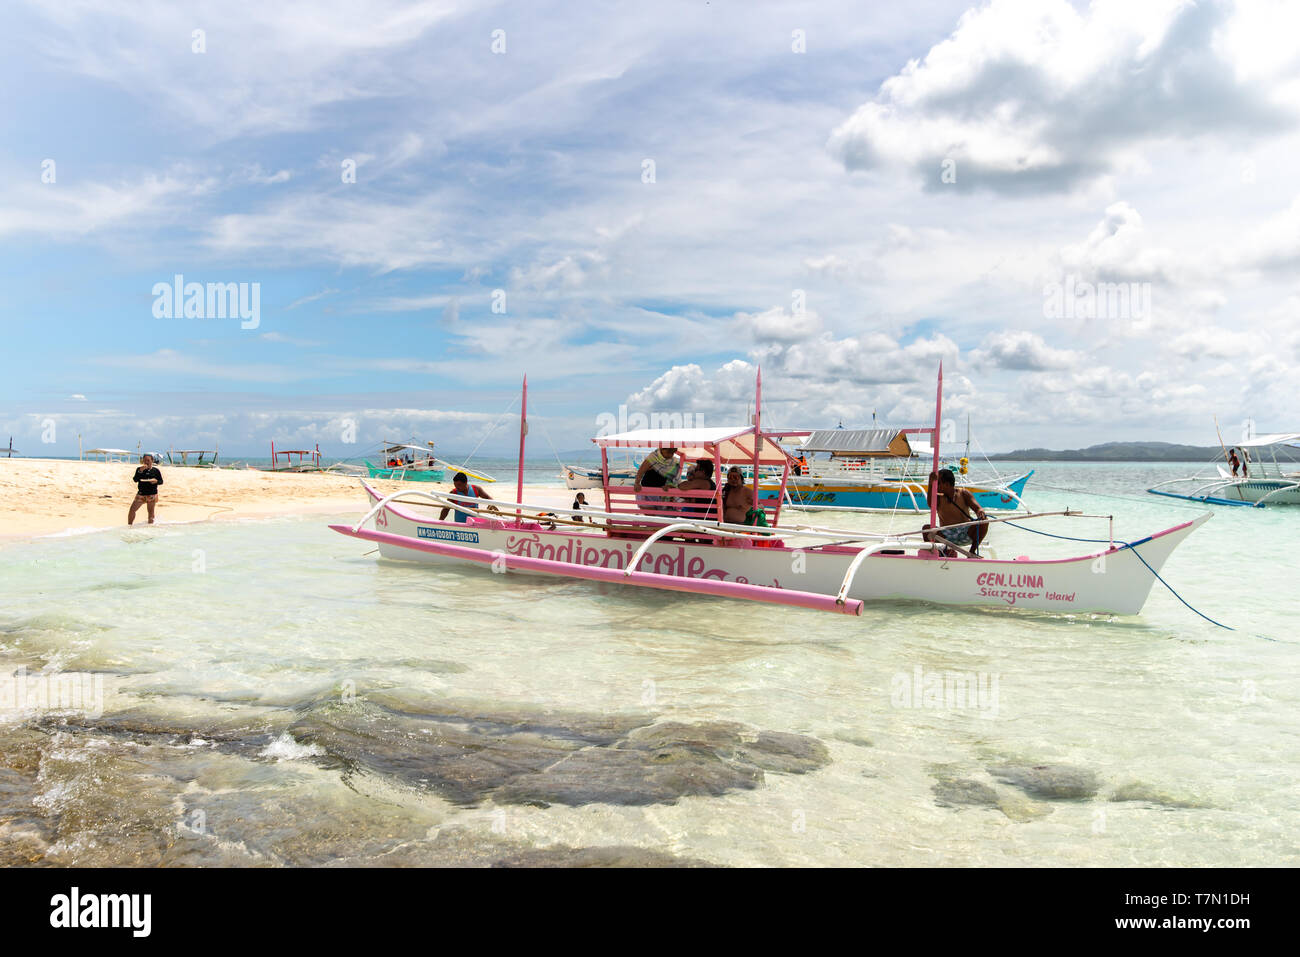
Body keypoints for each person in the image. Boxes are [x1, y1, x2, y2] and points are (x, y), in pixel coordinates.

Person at [922, 468, 988, 557]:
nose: (936, 486)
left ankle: (972, 552)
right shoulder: (938, 497)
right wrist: (930, 483)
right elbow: (931, 504)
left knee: (984, 521)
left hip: (966, 533)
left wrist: (981, 512)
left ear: (947, 484)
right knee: (926, 528)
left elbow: (978, 508)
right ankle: (939, 554)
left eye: (938, 483)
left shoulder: (963, 493)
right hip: (946, 535)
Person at [633, 446, 680, 510]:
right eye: (668, 452)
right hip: (646, 492)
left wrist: (670, 485)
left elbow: (674, 479)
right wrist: (637, 483)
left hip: (661, 493)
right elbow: (641, 470)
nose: (670, 455)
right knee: (650, 514)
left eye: (672, 453)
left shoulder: (674, 462)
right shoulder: (653, 457)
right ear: (661, 449)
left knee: (658, 515)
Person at [128, 454, 164, 525]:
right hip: (141, 494)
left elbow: (161, 481)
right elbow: (135, 480)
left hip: (152, 494)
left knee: (151, 512)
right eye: (144, 460)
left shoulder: (155, 471)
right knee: (132, 510)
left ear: (152, 461)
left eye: (148, 460)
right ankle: (129, 526)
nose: (146, 462)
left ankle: (150, 527)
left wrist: (156, 481)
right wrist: (140, 471)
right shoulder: (139, 469)